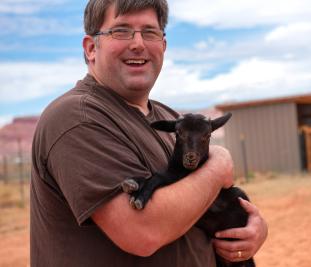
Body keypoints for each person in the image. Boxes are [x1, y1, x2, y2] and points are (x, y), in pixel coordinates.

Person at [30, 0, 268, 266]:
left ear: (163, 46)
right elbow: (143, 233)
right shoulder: (77, 118)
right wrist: (219, 163)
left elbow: (200, 204)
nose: (138, 43)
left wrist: (253, 229)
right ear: (91, 48)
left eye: (150, 32)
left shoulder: (170, 119)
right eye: (121, 31)